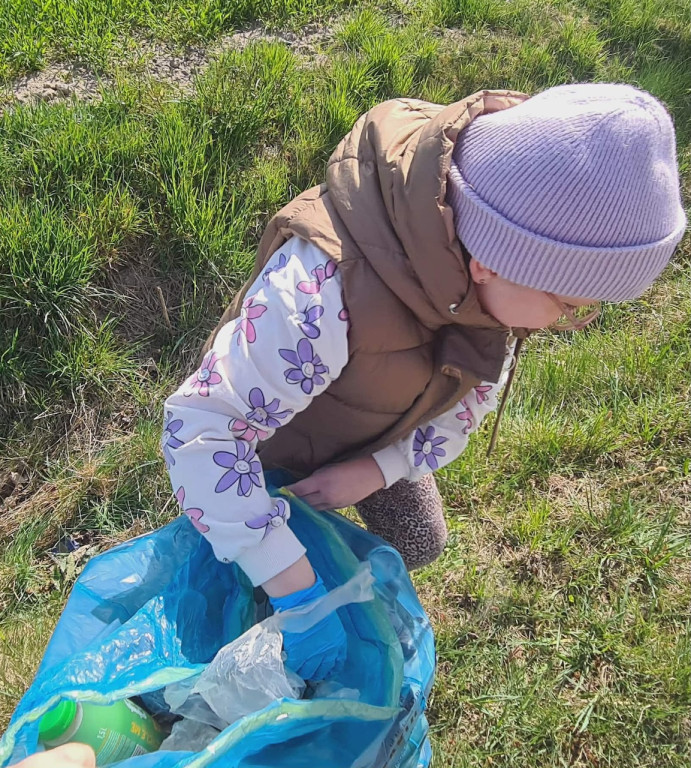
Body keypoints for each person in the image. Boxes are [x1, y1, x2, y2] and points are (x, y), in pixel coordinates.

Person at [161, 83, 686, 681]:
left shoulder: (493, 292)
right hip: (264, 444)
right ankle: (259, 621)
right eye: (571, 304)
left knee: (419, 542)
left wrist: (376, 470)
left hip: (381, 428)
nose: (576, 322)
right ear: (493, 260)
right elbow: (202, 431)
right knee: (245, 579)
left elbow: (462, 404)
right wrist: (293, 588)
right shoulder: (318, 296)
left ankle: (338, 592)